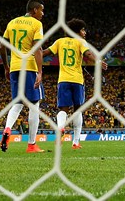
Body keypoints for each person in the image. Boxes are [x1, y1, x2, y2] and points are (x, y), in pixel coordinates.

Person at [42, 18, 107, 150]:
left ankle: (60, 128)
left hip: (63, 80)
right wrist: (99, 62)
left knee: (63, 109)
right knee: (77, 110)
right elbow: (88, 54)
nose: (85, 32)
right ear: (76, 31)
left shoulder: (59, 42)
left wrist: (30, 53)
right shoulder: (81, 42)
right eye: (83, 30)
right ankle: (76, 142)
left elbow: (44, 53)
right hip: (77, 80)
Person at [0, 0, 45, 154]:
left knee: (17, 103)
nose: (42, 14)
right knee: (34, 105)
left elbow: (1, 47)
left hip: (15, 67)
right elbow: (38, 49)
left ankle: (7, 129)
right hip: (30, 67)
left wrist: (6, 67)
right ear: (34, 10)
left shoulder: (12, 23)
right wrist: (39, 71)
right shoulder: (36, 24)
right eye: (41, 10)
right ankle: (31, 144)